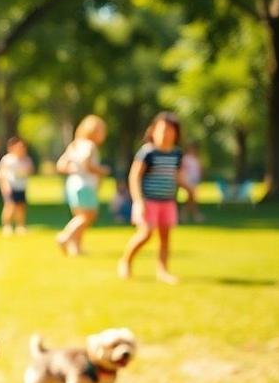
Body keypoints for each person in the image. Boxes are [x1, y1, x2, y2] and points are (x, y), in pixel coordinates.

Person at [119, 112, 186, 284]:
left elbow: (177, 176)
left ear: (176, 133)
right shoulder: (147, 152)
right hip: (148, 201)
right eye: (162, 130)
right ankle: (125, 262)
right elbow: (134, 177)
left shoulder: (177, 154)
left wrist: (189, 189)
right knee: (145, 234)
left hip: (167, 201)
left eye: (170, 130)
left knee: (165, 238)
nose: (165, 134)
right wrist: (138, 201)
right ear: (153, 131)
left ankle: (162, 270)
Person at [55, 115, 109, 256]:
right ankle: (65, 237)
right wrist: (101, 170)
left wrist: (73, 170)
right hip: (85, 185)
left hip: (72, 183)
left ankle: (76, 248)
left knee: (79, 216)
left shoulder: (74, 145)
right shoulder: (89, 145)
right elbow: (87, 164)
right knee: (88, 217)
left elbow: (60, 165)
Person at [0, 136, 33, 235]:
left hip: (21, 186)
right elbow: (0, 174)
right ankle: (6, 226)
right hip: (10, 186)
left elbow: (30, 171)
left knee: (21, 207)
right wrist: (4, 185)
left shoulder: (26, 159)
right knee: (10, 206)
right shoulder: (7, 159)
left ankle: (20, 226)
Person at [180, 143, 204, 223]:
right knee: (191, 198)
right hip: (188, 181)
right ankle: (195, 215)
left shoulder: (197, 158)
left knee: (191, 199)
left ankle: (185, 215)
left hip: (195, 180)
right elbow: (183, 170)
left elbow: (199, 169)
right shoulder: (186, 158)